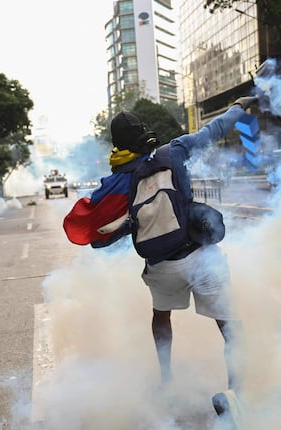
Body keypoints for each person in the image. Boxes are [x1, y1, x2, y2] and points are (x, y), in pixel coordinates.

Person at [63, 97, 259, 405]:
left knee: (160, 315)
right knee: (231, 326)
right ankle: (237, 396)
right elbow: (215, 128)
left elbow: (99, 227)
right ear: (144, 131)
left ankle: (167, 378)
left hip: (161, 266)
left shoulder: (116, 179)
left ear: (117, 144)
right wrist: (238, 106)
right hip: (200, 256)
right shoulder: (174, 151)